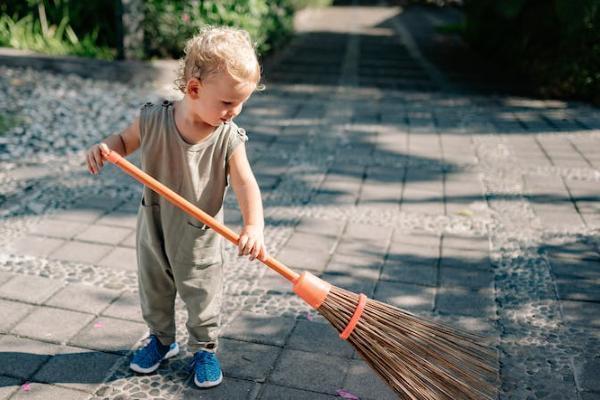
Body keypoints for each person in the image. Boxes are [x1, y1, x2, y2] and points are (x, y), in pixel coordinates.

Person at [85, 26, 267, 388]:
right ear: (195, 89)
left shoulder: (227, 137)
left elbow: (246, 183)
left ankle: (204, 348)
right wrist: (105, 149)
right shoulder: (154, 119)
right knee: (154, 287)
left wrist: (253, 227)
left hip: (199, 235)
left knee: (201, 293)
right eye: (228, 102)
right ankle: (161, 340)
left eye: (240, 102)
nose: (235, 111)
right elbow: (123, 141)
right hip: (153, 225)